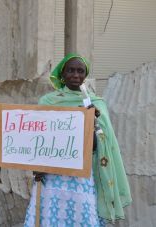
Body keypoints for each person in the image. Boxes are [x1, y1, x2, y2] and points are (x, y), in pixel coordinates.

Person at [24, 53, 132, 226]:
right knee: (50, 217)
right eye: (71, 71)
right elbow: (37, 139)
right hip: (52, 175)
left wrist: (92, 121)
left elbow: (100, 145)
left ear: (85, 75)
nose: (76, 75)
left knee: (81, 217)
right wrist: (37, 166)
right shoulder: (47, 101)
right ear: (62, 74)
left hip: (82, 175)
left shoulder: (95, 104)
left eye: (80, 71)